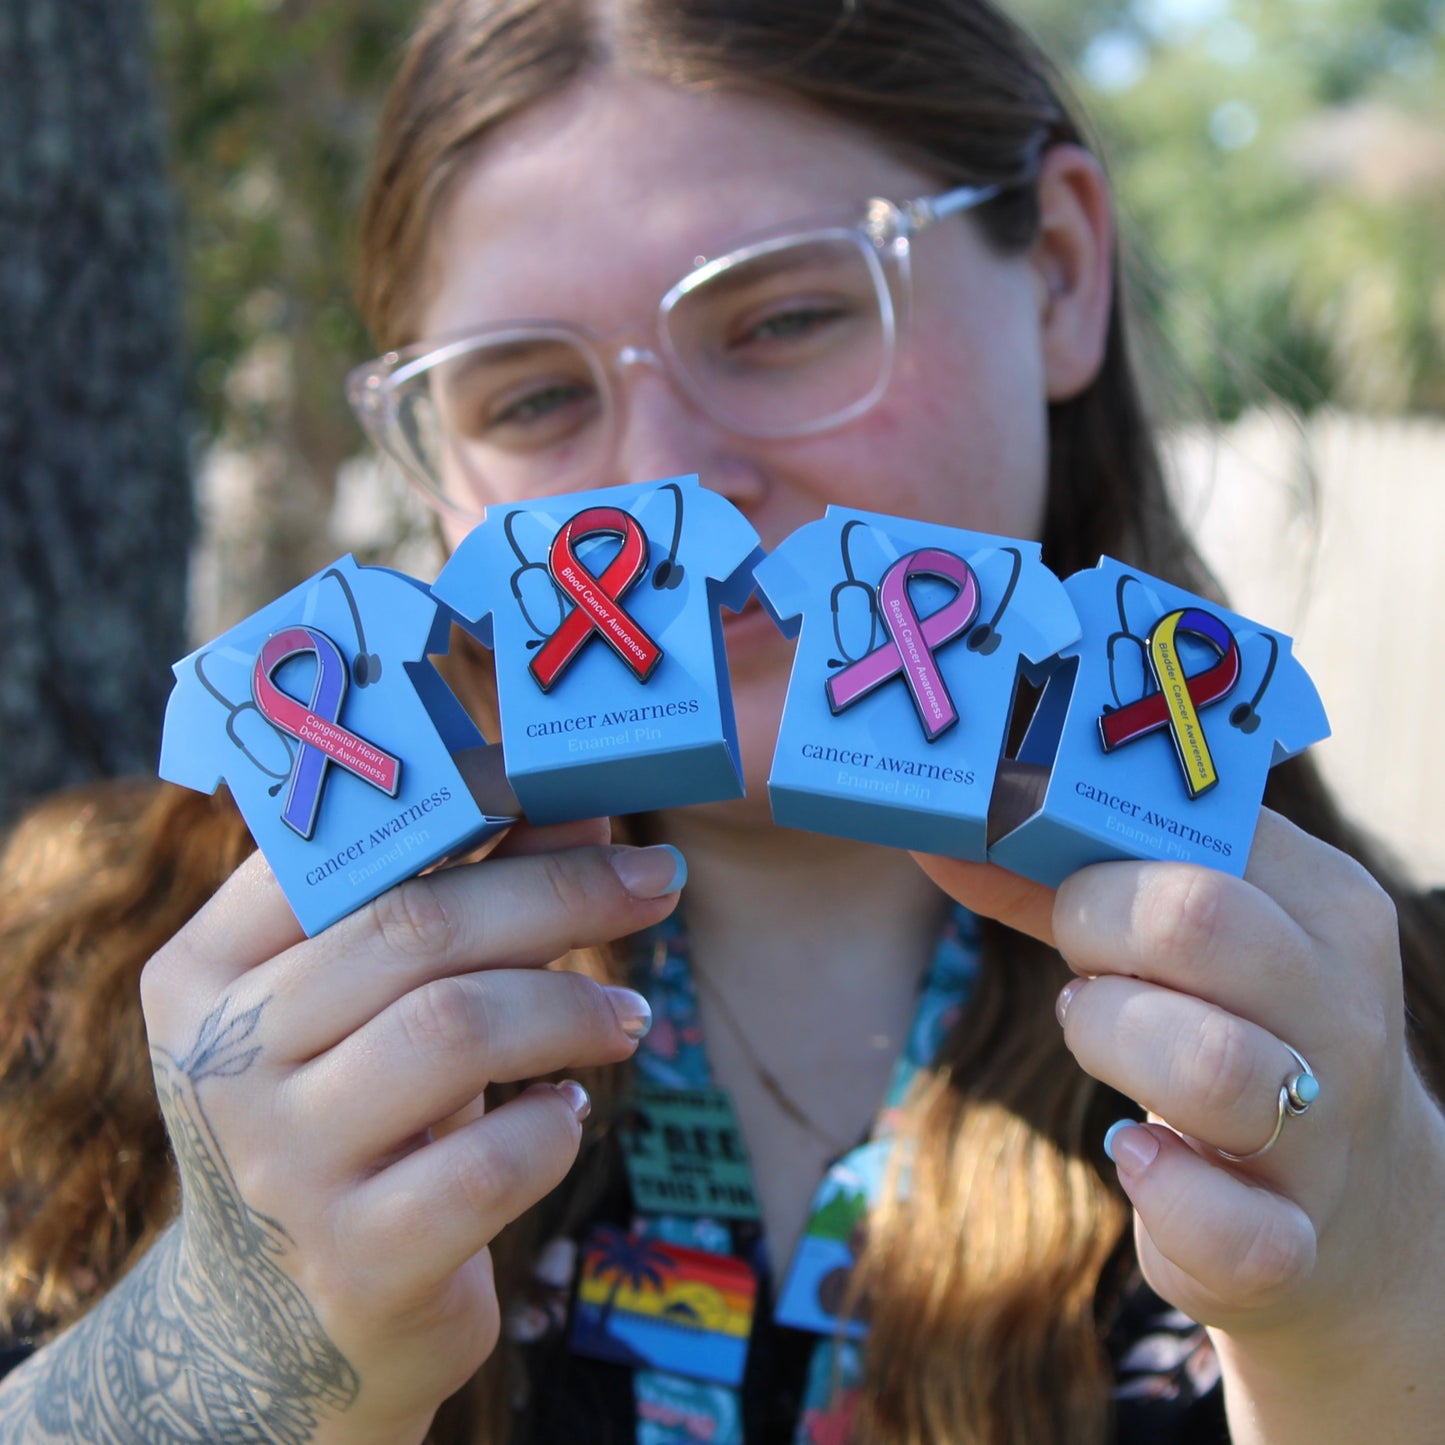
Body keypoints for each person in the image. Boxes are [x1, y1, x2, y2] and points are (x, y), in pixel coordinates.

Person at [3, 0, 1444, 1441]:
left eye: (785, 318)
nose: (671, 480)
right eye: (534, 393)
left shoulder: (1396, 1048)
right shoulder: (84, 984)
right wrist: (213, 1364)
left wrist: (1378, 1330)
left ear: (1060, 270)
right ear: (436, 451)